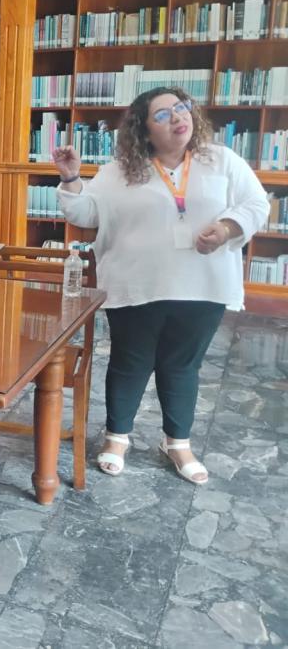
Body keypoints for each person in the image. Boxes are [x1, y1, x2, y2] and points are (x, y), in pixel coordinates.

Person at [53, 87, 268, 484]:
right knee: (129, 362)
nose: (178, 117)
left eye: (181, 108)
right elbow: (85, 214)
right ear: (144, 130)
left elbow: (256, 204)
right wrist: (70, 178)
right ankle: (117, 438)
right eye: (163, 115)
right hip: (137, 283)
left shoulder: (221, 160)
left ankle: (177, 443)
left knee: (182, 365)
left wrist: (226, 228)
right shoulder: (119, 170)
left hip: (202, 286)